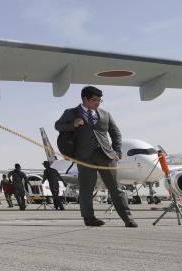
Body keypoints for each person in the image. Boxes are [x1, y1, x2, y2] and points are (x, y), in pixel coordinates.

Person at [54, 86, 137, 228]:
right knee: (86, 189)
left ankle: (127, 218)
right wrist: (73, 124)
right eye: (94, 100)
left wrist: (117, 152)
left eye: (100, 100)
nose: (98, 102)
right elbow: (58, 125)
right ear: (85, 99)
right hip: (84, 157)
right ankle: (89, 218)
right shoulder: (71, 113)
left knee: (115, 188)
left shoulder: (105, 114)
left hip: (106, 156)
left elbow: (115, 133)